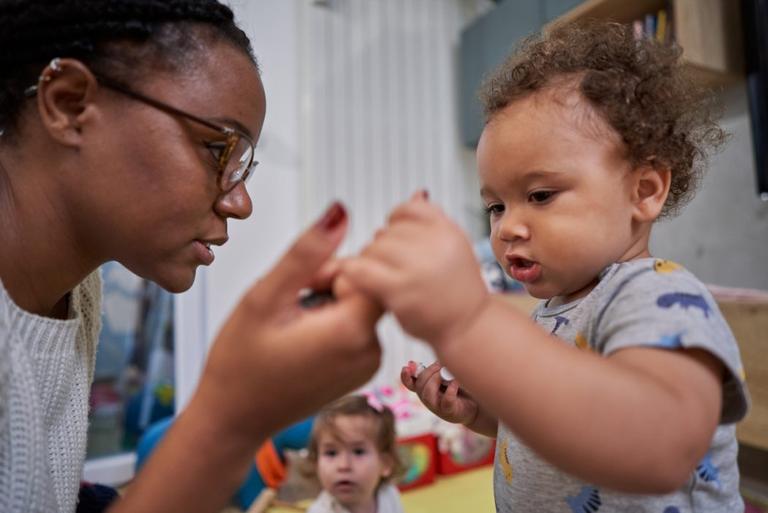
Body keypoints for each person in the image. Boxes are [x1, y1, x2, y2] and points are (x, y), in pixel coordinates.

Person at [341, 21, 750, 512]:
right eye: (496, 207)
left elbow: (659, 450)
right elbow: (557, 430)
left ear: (644, 191)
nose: (508, 227)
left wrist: (469, 322)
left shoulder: (658, 297)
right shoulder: (556, 310)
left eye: (539, 196)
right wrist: (485, 412)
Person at [0, 2, 382, 513]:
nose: (239, 202)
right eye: (217, 148)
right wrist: (231, 417)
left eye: (243, 166)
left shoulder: (77, 293)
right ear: (69, 103)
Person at [306, 395, 404, 513]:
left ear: (385, 463)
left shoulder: (388, 495)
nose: (343, 465)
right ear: (316, 462)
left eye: (358, 452)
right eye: (331, 453)